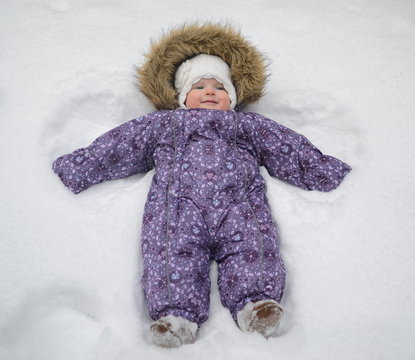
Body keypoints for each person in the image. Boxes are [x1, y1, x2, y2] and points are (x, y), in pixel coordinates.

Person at [52, 24, 351, 348]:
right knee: (170, 252)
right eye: (199, 86)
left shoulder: (248, 126)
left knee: (253, 246)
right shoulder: (165, 124)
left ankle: (257, 303)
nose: (210, 91)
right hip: (178, 207)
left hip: (240, 204)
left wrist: (326, 173)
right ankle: (175, 315)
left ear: (232, 97)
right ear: (182, 97)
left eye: (219, 87)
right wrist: (78, 167)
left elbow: (287, 148)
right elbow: (122, 144)